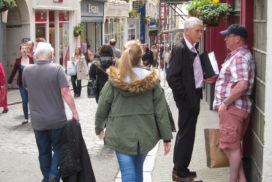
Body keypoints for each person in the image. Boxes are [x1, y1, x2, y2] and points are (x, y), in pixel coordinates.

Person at [95, 40, 174, 182]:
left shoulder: (114, 80)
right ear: (141, 56)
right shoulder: (151, 80)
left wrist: (99, 128)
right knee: (137, 171)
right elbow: (161, 110)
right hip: (145, 133)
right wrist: (166, 136)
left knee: (128, 173)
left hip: (120, 133)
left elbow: (102, 107)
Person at [166, 17, 215, 182]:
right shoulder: (180, 48)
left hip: (193, 96)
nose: (200, 34)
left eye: (201, 31)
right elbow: (172, 77)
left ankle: (182, 168)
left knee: (188, 135)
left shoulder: (191, 47)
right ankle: (179, 173)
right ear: (186, 31)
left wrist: (204, 78)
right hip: (188, 99)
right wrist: (185, 98)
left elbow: (191, 72)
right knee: (185, 135)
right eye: (197, 31)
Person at [22, 42, 79, 182]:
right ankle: (53, 175)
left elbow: (27, 88)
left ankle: (47, 177)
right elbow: (65, 92)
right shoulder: (57, 69)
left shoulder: (27, 70)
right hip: (56, 119)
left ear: (36, 55)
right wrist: (74, 112)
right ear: (51, 55)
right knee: (58, 147)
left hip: (38, 120)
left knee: (43, 151)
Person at [213, 24, 255, 182]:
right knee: (232, 146)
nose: (225, 39)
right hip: (235, 108)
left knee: (231, 147)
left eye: (228, 36)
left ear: (237, 38)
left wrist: (225, 103)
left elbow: (242, 84)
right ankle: (242, 179)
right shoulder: (239, 55)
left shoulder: (239, 57)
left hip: (233, 109)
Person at [8, 43, 34, 124]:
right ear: (20, 51)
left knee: (32, 101)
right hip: (21, 84)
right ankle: (26, 118)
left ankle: (34, 117)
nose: (24, 50)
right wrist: (9, 81)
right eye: (23, 49)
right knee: (25, 100)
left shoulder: (31, 59)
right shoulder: (18, 60)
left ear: (28, 50)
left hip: (31, 84)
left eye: (26, 48)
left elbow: (35, 71)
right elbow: (14, 71)